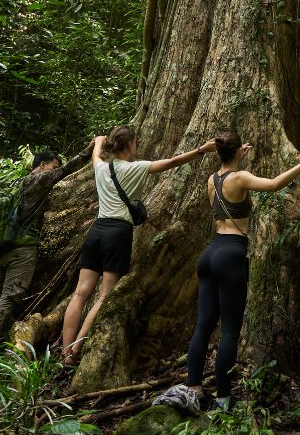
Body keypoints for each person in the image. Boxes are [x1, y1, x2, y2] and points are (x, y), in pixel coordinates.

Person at [178, 132, 300, 412]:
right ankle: (223, 397)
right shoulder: (240, 178)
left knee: (204, 325)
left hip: (210, 253)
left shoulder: (213, 179)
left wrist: (235, 156)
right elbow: (273, 184)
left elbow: (230, 171)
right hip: (231, 253)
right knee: (230, 329)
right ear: (238, 153)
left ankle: (194, 388)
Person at [60, 125, 216, 365]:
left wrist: (100, 141)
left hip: (97, 231)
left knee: (81, 293)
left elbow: (96, 153)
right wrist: (201, 150)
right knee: (104, 295)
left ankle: (63, 351)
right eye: (135, 142)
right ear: (131, 143)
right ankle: (74, 351)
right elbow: (173, 162)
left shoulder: (101, 168)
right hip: (117, 233)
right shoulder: (137, 168)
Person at [0, 144, 95, 336]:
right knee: (9, 297)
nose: (53, 170)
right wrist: (88, 151)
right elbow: (65, 170)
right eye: (52, 166)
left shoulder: (17, 183)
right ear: (42, 165)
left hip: (4, 245)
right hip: (22, 250)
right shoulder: (38, 181)